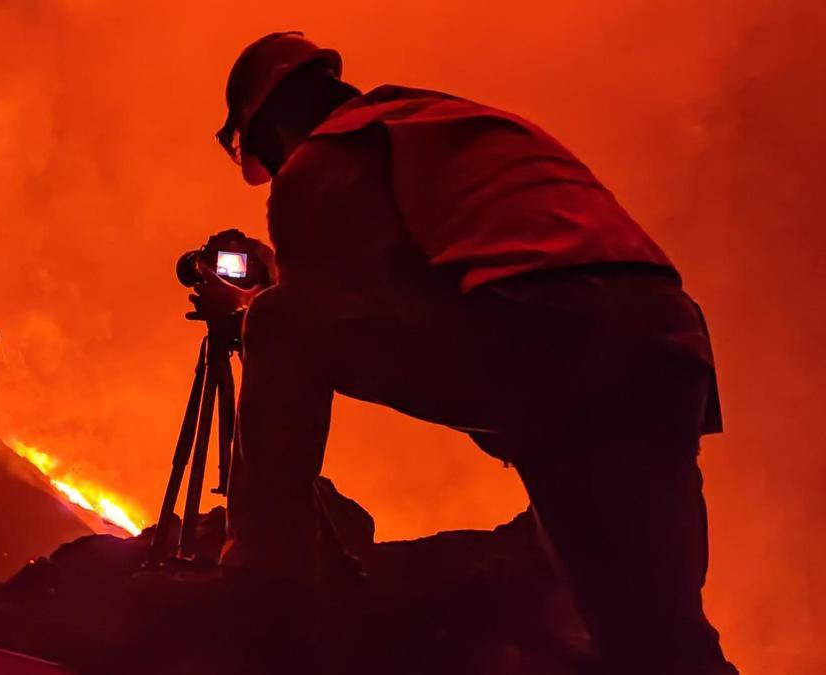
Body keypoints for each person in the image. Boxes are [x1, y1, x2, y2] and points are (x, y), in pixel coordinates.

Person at [191, 31, 736, 675]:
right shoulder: (445, 122)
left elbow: (327, 311)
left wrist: (255, 309)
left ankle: (264, 590)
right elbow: (439, 276)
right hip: (666, 353)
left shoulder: (333, 152)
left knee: (278, 323)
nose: (279, 170)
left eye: (268, 155)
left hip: (545, 341)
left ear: (277, 121)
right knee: (651, 631)